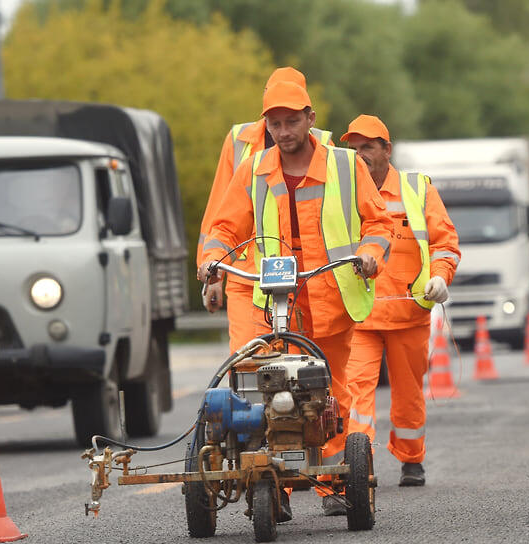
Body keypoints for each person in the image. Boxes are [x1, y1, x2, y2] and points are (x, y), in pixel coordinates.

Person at [198, 82, 393, 517]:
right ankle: (273, 489)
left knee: (328, 393)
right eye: (275, 122)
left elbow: (379, 223)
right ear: (265, 123)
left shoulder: (345, 166)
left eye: (291, 121)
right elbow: (225, 226)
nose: (283, 131)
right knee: (264, 389)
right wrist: (212, 258)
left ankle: (334, 484)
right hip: (271, 300)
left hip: (329, 293)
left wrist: (369, 254)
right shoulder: (252, 169)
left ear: (311, 118)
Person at [341, 115, 461, 487]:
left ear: (386, 150)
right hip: (359, 316)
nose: (359, 155)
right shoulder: (341, 192)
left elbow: (445, 243)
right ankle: (360, 466)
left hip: (409, 315)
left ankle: (411, 460)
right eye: (353, 148)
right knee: (356, 393)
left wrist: (441, 276)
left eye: (368, 147)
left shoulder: (417, 189)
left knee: (408, 396)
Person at [197, 67, 333, 354]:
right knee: (248, 364)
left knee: (308, 371)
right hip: (249, 276)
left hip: (307, 275)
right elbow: (221, 210)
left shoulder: (324, 145)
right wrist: (212, 273)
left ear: (308, 113)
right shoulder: (240, 140)